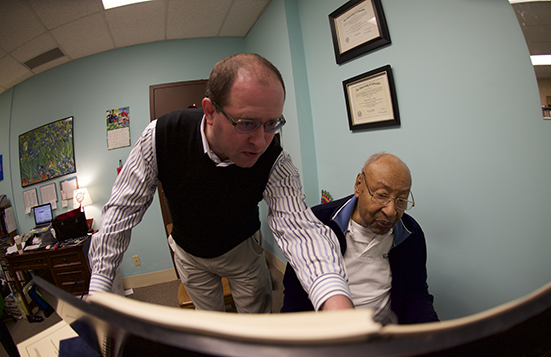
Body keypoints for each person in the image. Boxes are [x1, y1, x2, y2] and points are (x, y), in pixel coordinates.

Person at [88, 53, 353, 313]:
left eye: (272, 123)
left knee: (257, 324)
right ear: (210, 111)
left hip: (242, 252)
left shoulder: (275, 160)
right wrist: (99, 288)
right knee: (213, 327)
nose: (261, 142)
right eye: (246, 123)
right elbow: (122, 210)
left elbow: (299, 227)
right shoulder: (161, 135)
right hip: (189, 255)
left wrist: (334, 299)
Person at [282, 152, 439, 324]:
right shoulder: (317, 224)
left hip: (383, 332)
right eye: (381, 195)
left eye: (401, 200)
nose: (391, 211)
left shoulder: (410, 234)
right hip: (327, 331)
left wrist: (433, 335)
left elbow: (415, 294)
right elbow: (295, 300)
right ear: (358, 185)